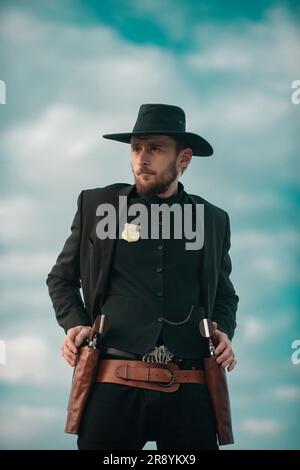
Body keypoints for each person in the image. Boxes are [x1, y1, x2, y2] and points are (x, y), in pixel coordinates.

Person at [47, 103, 239, 450]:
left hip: (190, 385)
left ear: (184, 159)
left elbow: (225, 295)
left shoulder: (213, 220)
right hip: (112, 382)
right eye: (136, 148)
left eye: (155, 148)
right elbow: (60, 278)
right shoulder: (97, 206)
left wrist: (223, 329)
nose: (141, 158)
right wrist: (74, 323)